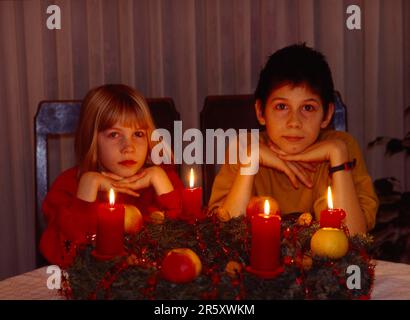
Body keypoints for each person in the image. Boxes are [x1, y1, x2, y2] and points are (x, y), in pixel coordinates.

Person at [208, 44, 379, 235]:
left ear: (327, 114)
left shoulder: (342, 147)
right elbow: (223, 236)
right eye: (282, 107)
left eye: (308, 108)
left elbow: (355, 237)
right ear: (260, 111)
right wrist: (250, 161)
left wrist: (337, 155)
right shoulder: (243, 148)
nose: (294, 122)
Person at [40, 84, 184, 266]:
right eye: (114, 134)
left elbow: (195, 244)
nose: (128, 147)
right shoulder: (69, 187)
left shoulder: (163, 180)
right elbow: (66, 256)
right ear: (91, 139)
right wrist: (86, 192)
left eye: (138, 134)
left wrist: (161, 182)